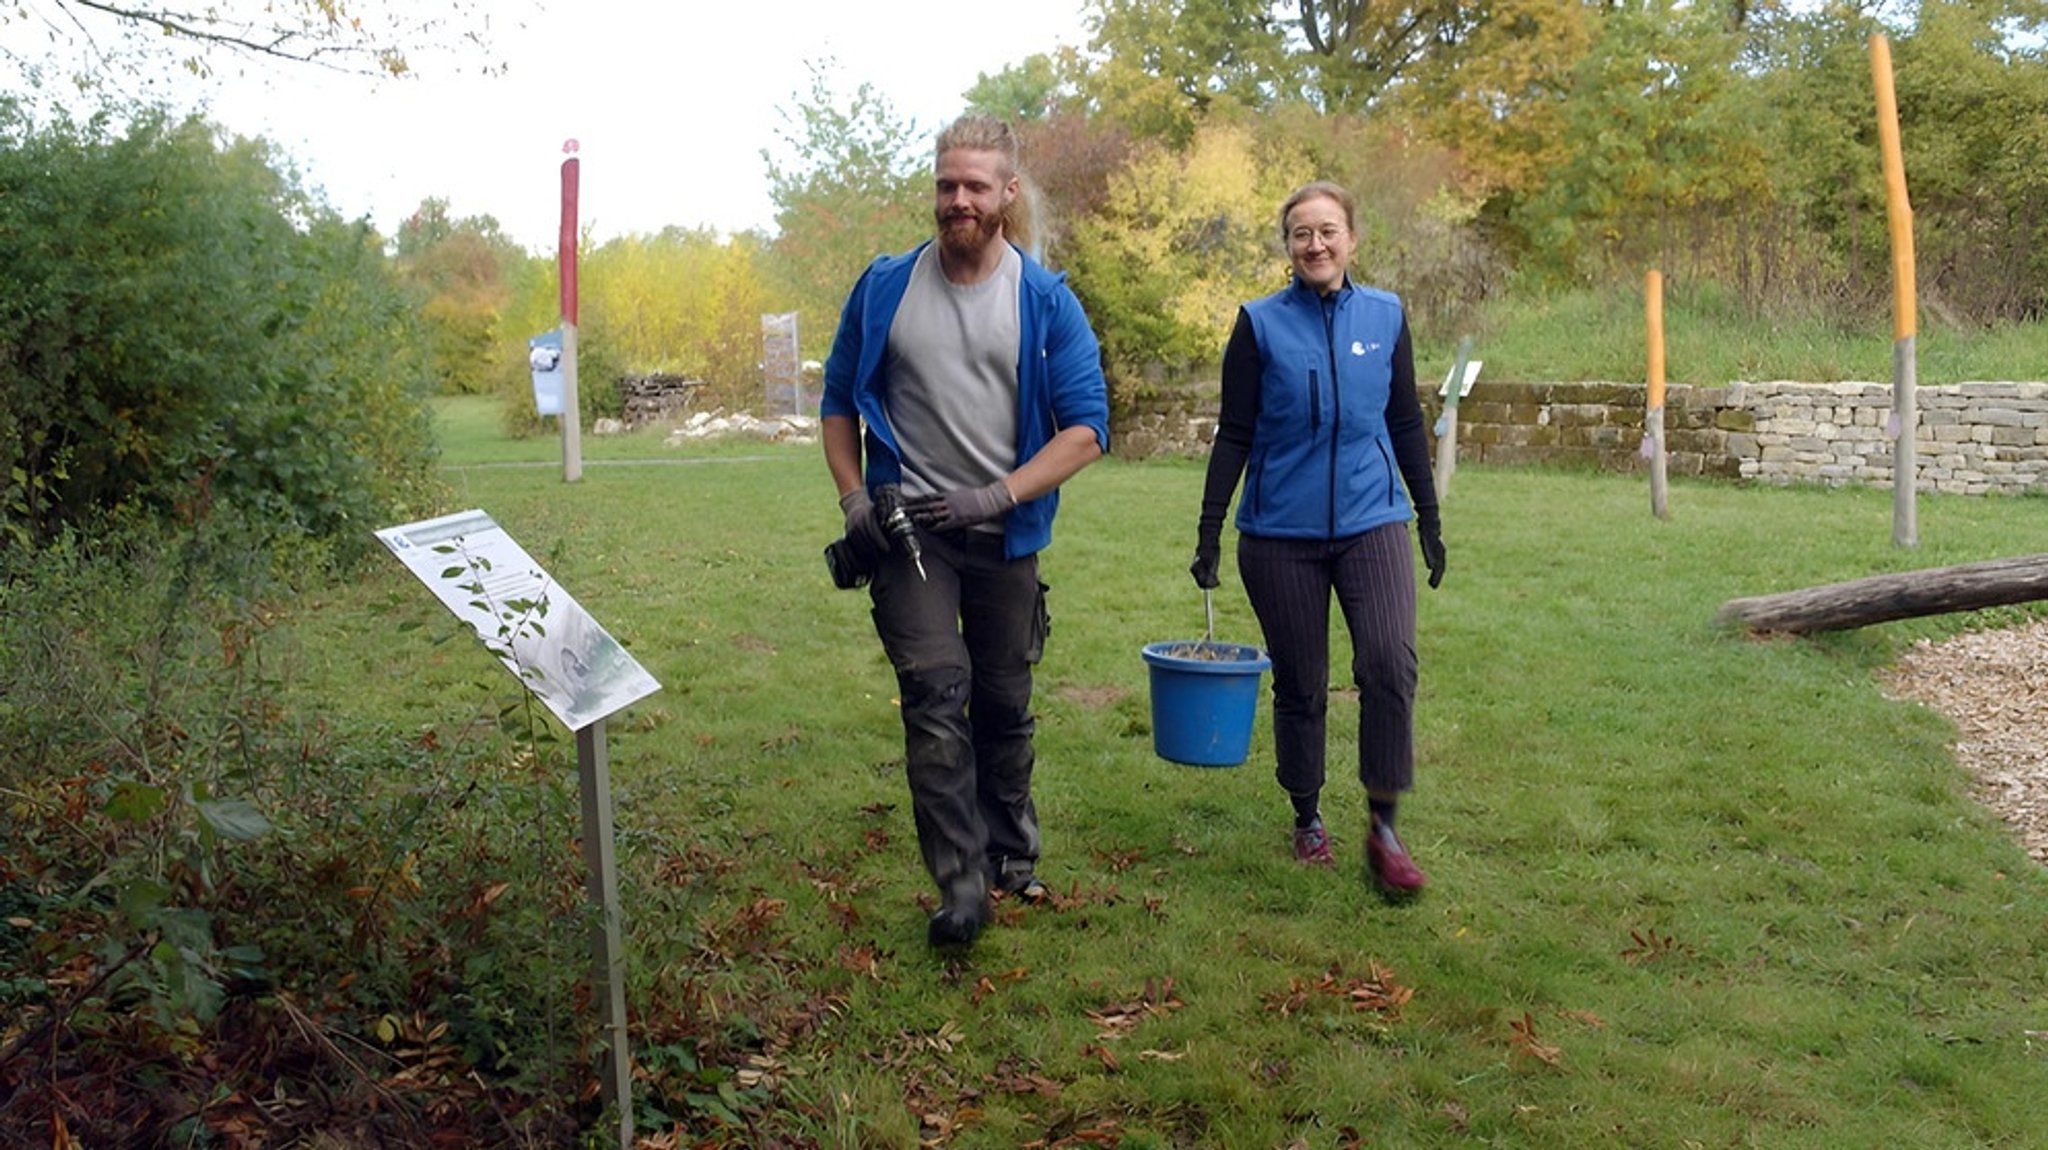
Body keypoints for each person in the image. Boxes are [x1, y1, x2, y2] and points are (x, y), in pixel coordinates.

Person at [820, 114, 1111, 948]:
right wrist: (853, 499)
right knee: (934, 692)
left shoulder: (1045, 302)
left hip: (1002, 533)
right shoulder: (886, 287)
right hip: (910, 530)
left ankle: (1012, 855)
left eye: (976, 186)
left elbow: (1088, 429)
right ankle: (961, 885)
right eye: (947, 184)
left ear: (1007, 194)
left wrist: (997, 496)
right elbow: (838, 403)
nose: (958, 200)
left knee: (1003, 702)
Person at [1189, 180, 1447, 893]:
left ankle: (1385, 826)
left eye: (1328, 231)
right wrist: (1210, 530)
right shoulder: (1259, 324)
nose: (1316, 244)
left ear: (1352, 239)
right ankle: (1306, 815)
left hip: (1372, 520)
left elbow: (1403, 424)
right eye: (1302, 234)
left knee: (1390, 664)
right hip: (1279, 533)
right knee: (1301, 684)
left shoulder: (1387, 316)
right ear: (1288, 246)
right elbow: (1235, 432)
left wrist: (1427, 517)